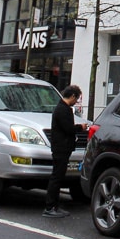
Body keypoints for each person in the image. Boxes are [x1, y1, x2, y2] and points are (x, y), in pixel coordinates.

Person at [43, 84, 83, 218]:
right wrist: (81, 127)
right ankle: (50, 207)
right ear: (72, 96)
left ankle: (54, 205)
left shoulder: (62, 108)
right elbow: (68, 128)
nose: (76, 102)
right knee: (56, 177)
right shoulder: (63, 110)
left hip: (61, 147)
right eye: (76, 99)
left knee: (58, 176)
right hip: (61, 147)